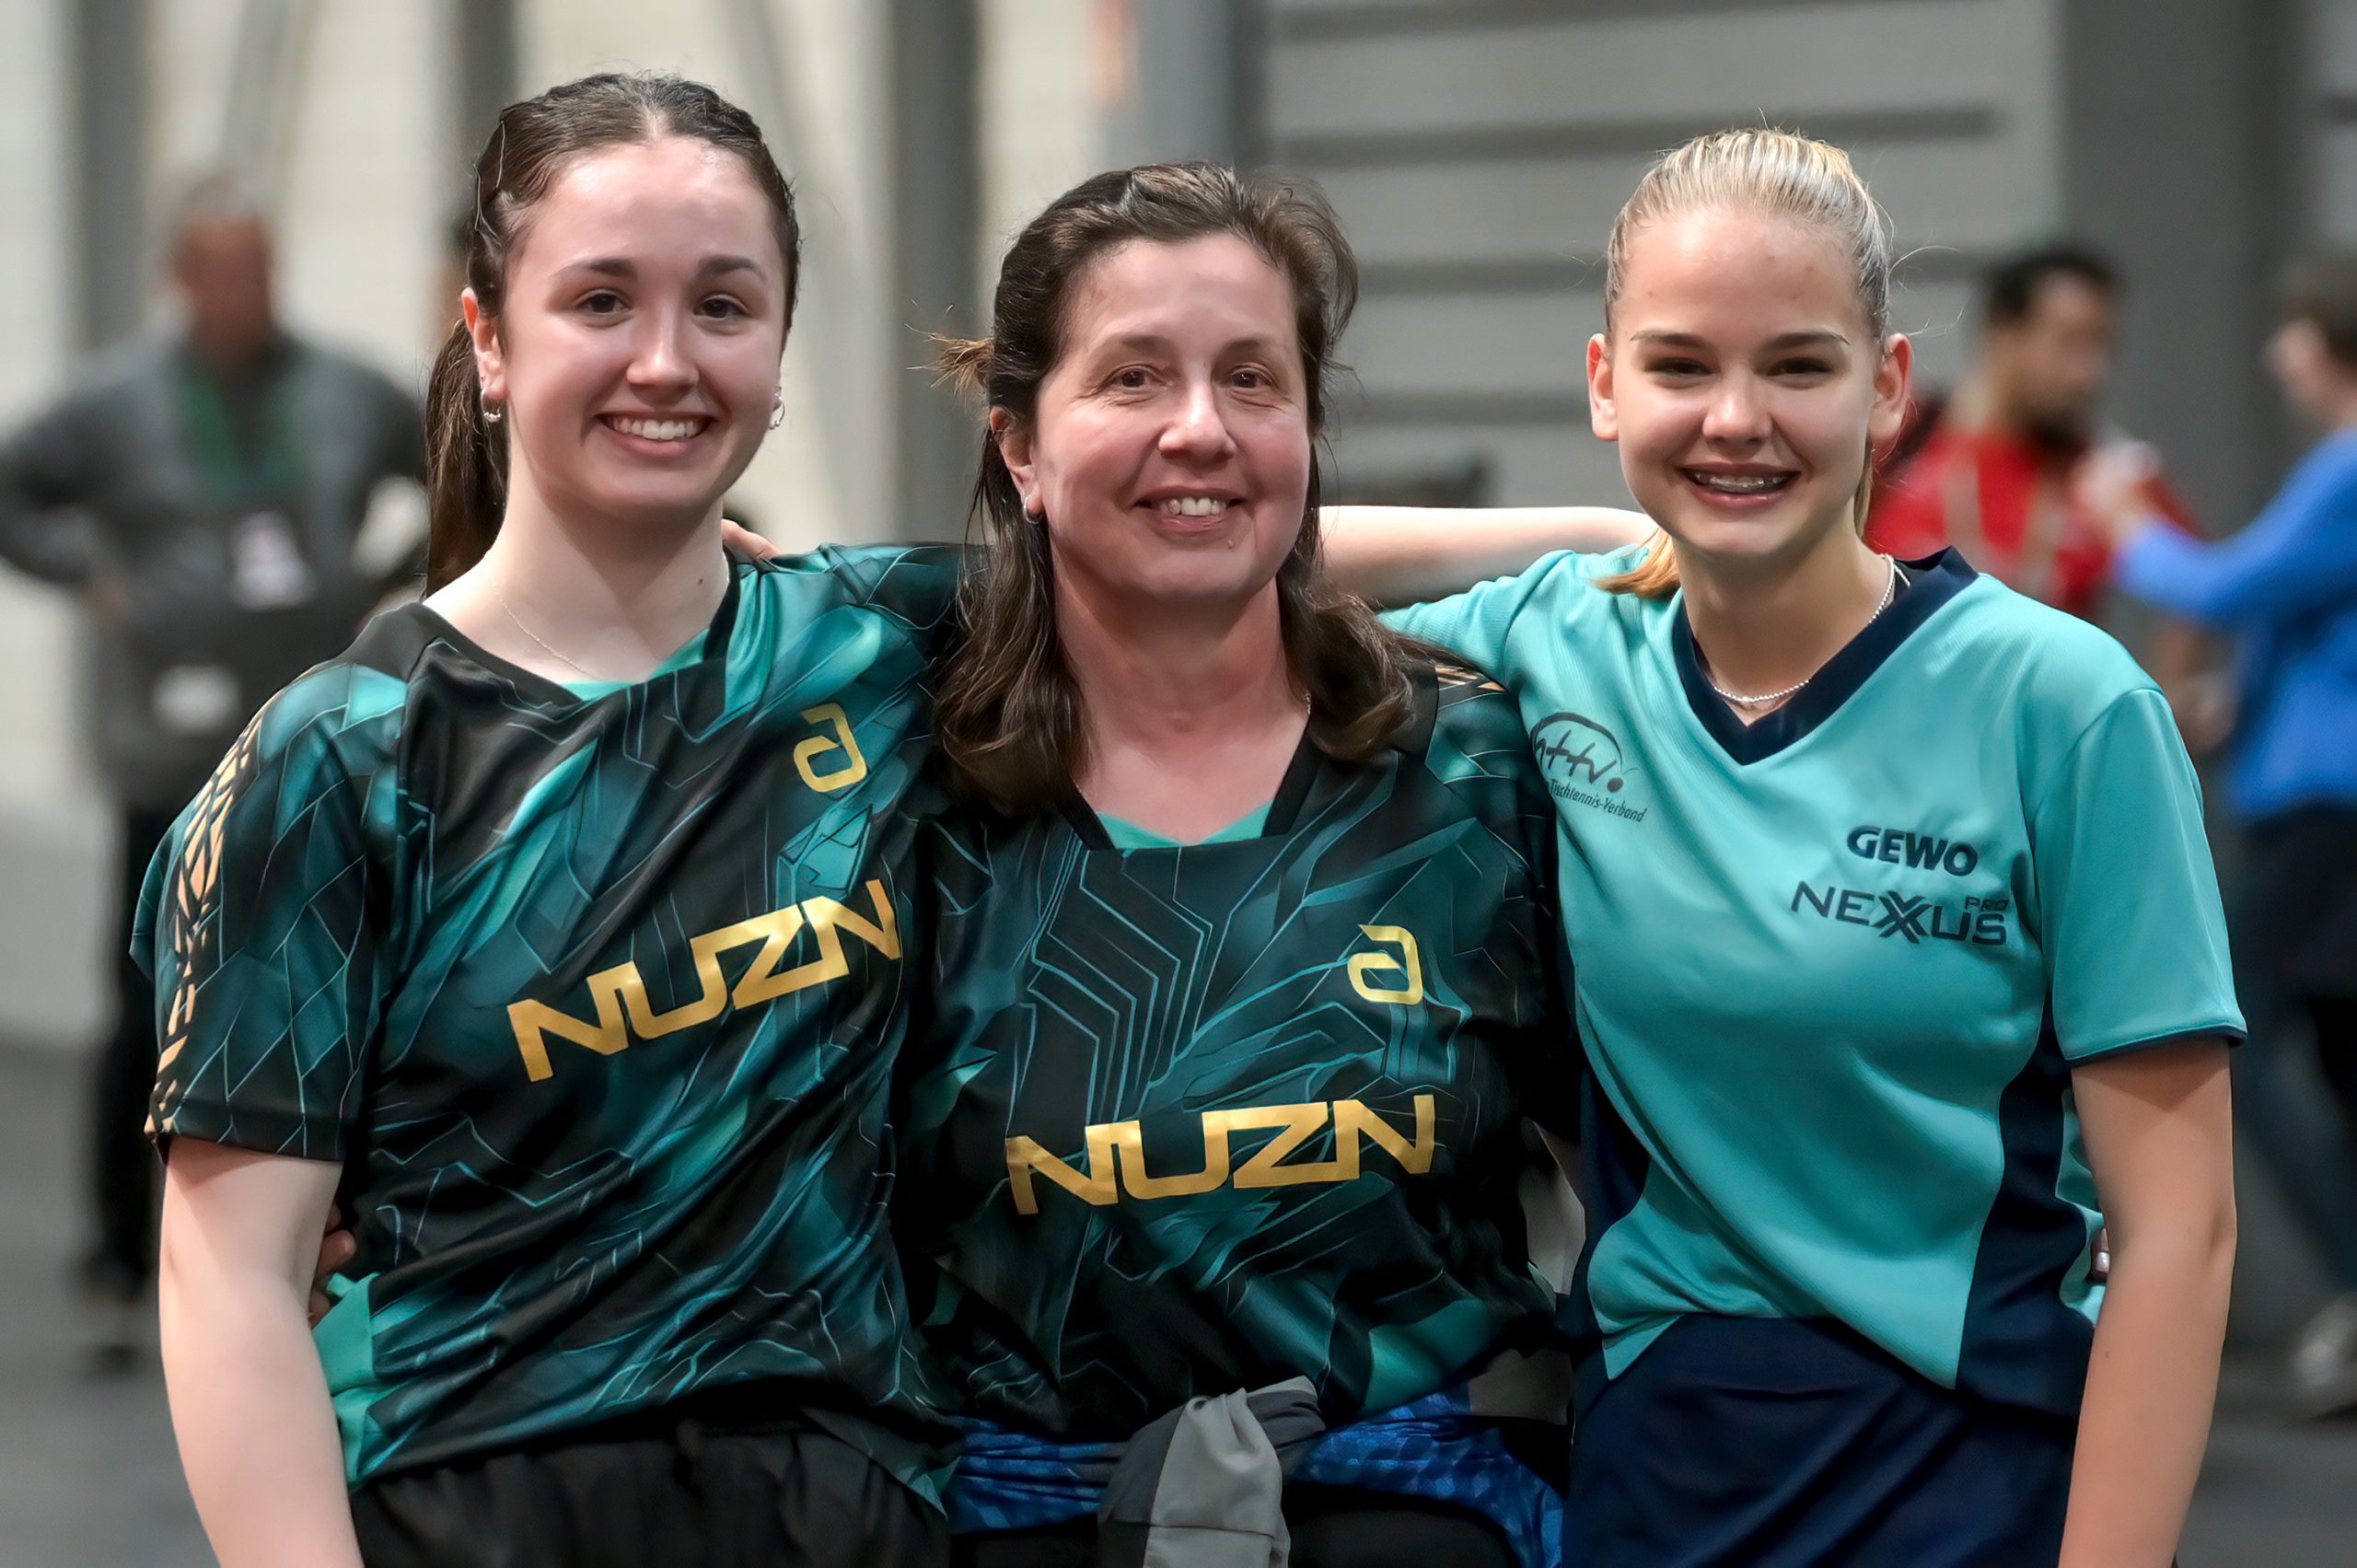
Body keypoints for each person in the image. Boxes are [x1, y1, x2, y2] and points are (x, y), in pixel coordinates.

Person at [1374, 131, 2241, 1566]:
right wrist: (1593, 522)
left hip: (1972, 1459)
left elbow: (2181, 1235)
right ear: (1602, 382)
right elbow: (1228, 558)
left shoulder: (2066, 706)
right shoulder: (1562, 635)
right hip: (1662, 1457)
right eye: (1677, 367)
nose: (1737, 418)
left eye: (1797, 365)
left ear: (1888, 387)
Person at [144, 75, 961, 1568]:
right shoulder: (344, 754)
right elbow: (230, 1280)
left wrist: (1482, 549)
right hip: (478, 1502)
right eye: (601, 300)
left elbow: (1194, 554)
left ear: (782, 345)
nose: (666, 359)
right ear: (489, 339)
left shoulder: (868, 644)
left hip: (839, 1503)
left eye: (724, 305)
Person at [897, 164, 1582, 1568]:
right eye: (1133, 377)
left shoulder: (1478, 775)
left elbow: (1665, 1161)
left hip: (1423, 1525)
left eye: (1253, 379)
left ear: (1310, 431)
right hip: (1027, 1525)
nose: (1200, 428)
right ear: (1019, 444)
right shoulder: (904, 796)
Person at [0, 171, 423, 1356]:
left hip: (322, 740)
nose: (247, 290)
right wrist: (94, 577)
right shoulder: (114, 401)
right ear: (182, 277)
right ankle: (119, 1253)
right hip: (174, 752)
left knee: (345, 990)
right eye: (224, 269)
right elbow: (12, 490)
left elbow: (455, 457)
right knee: (150, 998)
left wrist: (384, 578)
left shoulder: (344, 388)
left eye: (261, 266)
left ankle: (339, 1248)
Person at [2078, 251, 2357, 1417]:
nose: (2278, 356)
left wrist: (2122, 522)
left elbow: (2227, 584)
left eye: (2293, 332)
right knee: (2337, 1047)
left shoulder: (2348, 463)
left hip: (2322, 809)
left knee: (2223, 1027)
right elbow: (2308, 616)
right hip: (2313, 796)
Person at [1867, 246, 2200, 621]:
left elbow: (2197, 598)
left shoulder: (2109, 476)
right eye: (2069, 342)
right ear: (2002, 333)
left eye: (2102, 346)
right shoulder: (1896, 439)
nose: (2090, 373)